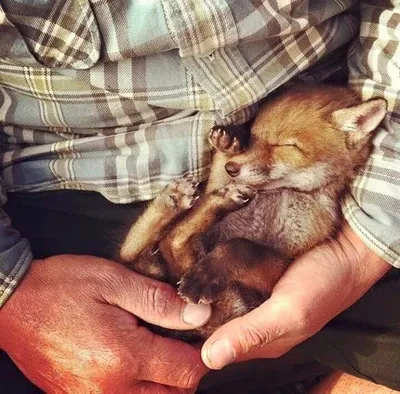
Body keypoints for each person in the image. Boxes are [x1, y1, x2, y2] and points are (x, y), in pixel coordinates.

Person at [0, 1, 399, 393]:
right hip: (64, 183)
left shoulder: (323, 157)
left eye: (281, 148)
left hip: (335, 161)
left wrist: (356, 254)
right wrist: (11, 292)